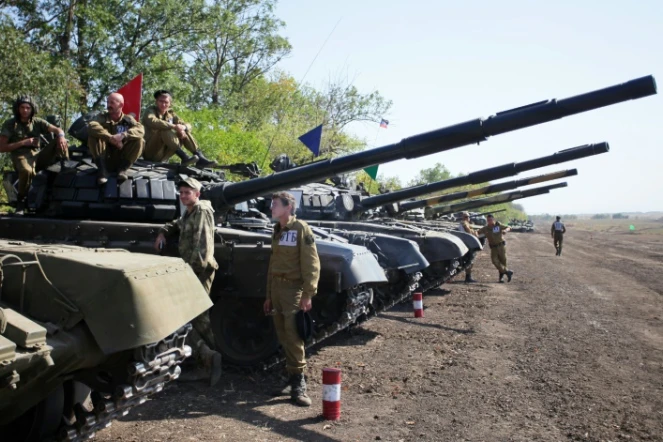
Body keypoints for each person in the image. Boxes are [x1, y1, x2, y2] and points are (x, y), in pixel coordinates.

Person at [154, 177, 222, 386]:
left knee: (195, 316)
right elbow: (179, 223)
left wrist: (190, 273)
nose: (183, 196)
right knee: (194, 316)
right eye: (181, 193)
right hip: (193, 270)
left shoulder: (201, 210)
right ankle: (208, 358)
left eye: (188, 192)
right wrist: (164, 231)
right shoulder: (191, 211)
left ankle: (208, 360)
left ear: (197, 194)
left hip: (198, 271)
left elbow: (202, 246)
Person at [264, 191, 320, 407]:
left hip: (293, 291)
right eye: (272, 203)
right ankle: (290, 378)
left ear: (288, 207)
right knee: (283, 336)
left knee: (294, 336)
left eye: (275, 204)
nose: (271, 207)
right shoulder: (277, 230)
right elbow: (272, 264)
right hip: (277, 290)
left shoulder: (300, 229)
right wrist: (268, 295)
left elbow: (312, 263)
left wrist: (308, 293)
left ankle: (299, 384)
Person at [0, 96, 69, 214]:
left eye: (28, 108)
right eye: (22, 107)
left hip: (37, 155)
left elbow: (57, 129)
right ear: (17, 109)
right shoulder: (10, 124)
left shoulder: (37, 122)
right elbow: (2, 147)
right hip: (20, 155)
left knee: (63, 140)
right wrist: (24, 142)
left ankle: (67, 165)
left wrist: (61, 136)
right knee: (27, 171)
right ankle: (21, 200)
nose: (25, 110)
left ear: (32, 109)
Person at [141, 90, 216, 168]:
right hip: (150, 152)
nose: (163, 104)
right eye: (161, 101)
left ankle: (200, 157)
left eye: (166, 102)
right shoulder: (150, 111)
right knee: (164, 129)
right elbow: (152, 121)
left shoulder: (171, 114)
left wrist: (183, 127)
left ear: (170, 104)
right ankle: (184, 156)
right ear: (156, 102)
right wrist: (174, 126)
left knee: (184, 131)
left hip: (164, 154)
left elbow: (188, 125)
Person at [87, 92, 145, 184]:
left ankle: (122, 170)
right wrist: (110, 138)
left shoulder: (128, 119)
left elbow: (140, 130)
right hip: (105, 157)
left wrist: (123, 135)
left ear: (121, 104)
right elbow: (92, 126)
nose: (109, 105)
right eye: (108, 102)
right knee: (93, 136)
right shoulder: (102, 117)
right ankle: (103, 172)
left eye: (112, 103)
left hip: (121, 156)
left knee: (140, 140)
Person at [477, 214, 514, 283]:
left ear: (493, 219)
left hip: (501, 246)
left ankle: (501, 278)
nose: (489, 221)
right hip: (493, 247)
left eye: (490, 220)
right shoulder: (486, 228)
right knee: (494, 261)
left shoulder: (498, 225)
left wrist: (505, 230)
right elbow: (478, 232)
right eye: (488, 220)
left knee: (503, 261)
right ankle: (507, 272)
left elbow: (509, 227)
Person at [458, 211, 479, 283]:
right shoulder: (464, 223)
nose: (468, 218)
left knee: (470, 262)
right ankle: (468, 277)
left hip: (466, 243)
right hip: (467, 244)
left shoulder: (464, 223)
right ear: (463, 217)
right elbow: (469, 231)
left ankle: (468, 276)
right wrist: (474, 232)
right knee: (469, 261)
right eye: (466, 217)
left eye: (468, 217)